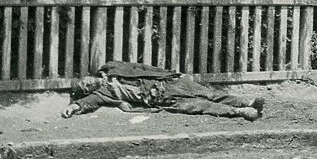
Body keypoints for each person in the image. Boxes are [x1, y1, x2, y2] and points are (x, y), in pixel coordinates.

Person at [62, 61, 265, 120]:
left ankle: (246, 102)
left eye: (86, 81)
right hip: (161, 100)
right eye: (85, 88)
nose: (89, 85)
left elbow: (142, 68)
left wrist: (170, 74)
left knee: (209, 93)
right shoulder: (103, 94)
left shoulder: (112, 67)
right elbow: (87, 103)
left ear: (88, 76)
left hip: (167, 82)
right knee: (200, 105)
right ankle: (240, 112)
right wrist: (74, 106)